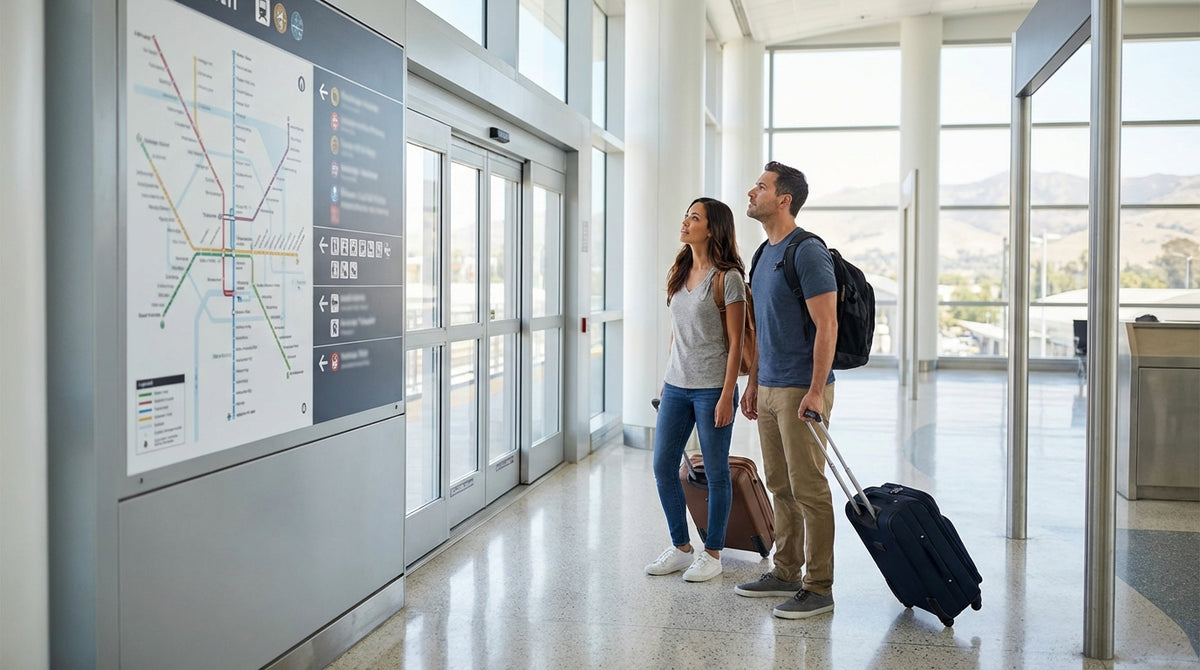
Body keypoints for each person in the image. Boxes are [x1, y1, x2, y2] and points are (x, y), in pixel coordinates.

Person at [735, 161, 839, 619]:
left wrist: (816, 391)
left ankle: (819, 587)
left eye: (761, 186)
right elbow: (766, 328)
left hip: (802, 390)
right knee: (780, 484)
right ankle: (785, 570)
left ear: (784, 200)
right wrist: (754, 382)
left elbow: (827, 325)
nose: (751, 192)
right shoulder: (763, 253)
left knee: (809, 488)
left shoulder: (807, 251)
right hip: (772, 387)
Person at [644, 197, 747, 583]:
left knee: (716, 473)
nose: (685, 222)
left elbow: (736, 343)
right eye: (686, 215)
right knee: (662, 466)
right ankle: (681, 547)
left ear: (712, 228)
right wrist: (666, 382)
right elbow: (678, 334)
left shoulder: (728, 278)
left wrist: (726, 395)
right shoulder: (680, 270)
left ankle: (714, 553)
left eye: (694, 217)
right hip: (676, 387)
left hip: (711, 390)